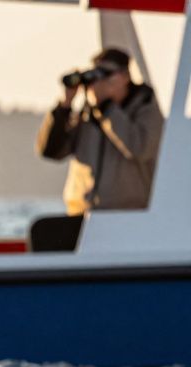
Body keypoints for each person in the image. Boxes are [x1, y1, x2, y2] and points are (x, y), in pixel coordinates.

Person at [32, 48, 164, 251]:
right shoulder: (87, 113)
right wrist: (65, 106)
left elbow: (140, 148)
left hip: (127, 220)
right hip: (82, 216)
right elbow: (51, 151)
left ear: (124, 77)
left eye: (105, 74)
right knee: (42, 232)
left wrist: (107, 109)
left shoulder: (146, 109)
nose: (98, 83)